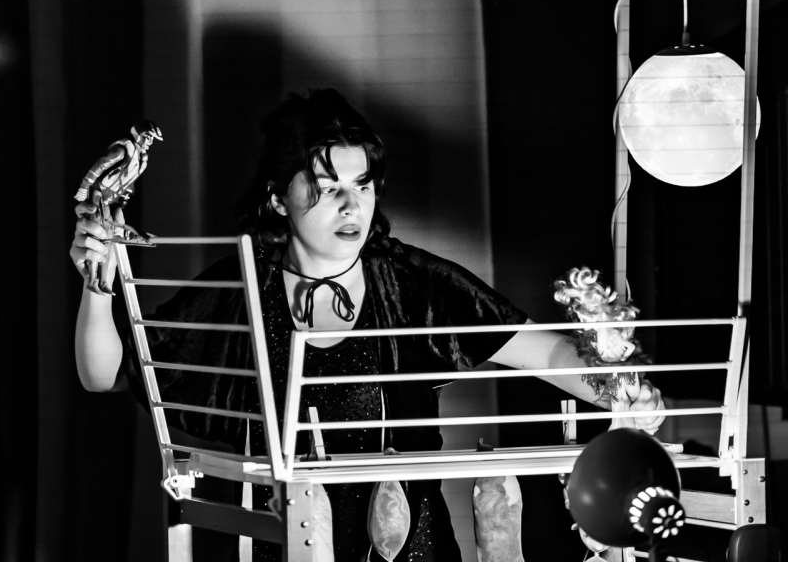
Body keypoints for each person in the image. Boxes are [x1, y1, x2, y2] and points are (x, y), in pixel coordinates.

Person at [71, 89, 664, 562]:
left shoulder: (414, 282)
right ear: (278, 198)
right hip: (281, 549)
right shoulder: (240, 288)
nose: (351, 206)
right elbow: (105, 375)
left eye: (362, 185)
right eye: (327, 188)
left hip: (414, 551)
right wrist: (98, 283)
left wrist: (624, 392)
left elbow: (545, 353)